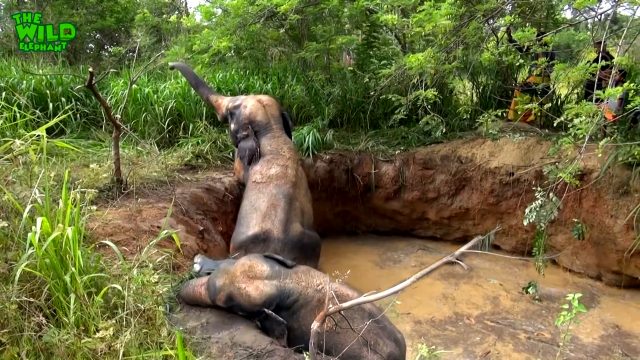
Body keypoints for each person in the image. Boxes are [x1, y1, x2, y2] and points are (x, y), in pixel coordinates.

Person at [506, 27, 556, 124]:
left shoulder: (550, 51)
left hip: (544, 80)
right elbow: (521, 49)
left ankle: (537, 121)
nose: (539, 41)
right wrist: (511, 38)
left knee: (541, 100)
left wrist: (544, 69)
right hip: (533, 79)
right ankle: (516, 117)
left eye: (541, 39)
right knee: (519, 90)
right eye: (538, 39)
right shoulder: (535, 49)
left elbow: (551, 67)